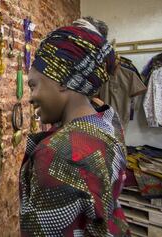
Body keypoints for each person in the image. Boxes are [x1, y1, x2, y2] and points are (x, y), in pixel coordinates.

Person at [20, 23, 130, 236]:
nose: (31, 97)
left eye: (33, 85)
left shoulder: (58, 153)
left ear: (62, 80)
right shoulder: (107, 119)